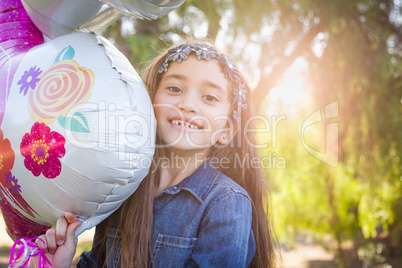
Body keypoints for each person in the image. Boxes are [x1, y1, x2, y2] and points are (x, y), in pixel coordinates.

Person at [35, 41, 280, 267]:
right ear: (147, 103)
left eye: (209, 97)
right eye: (174, 88)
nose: (187, 104)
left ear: (226, 130)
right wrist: (61, 262)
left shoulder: (226, 203)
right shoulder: (123, 187)